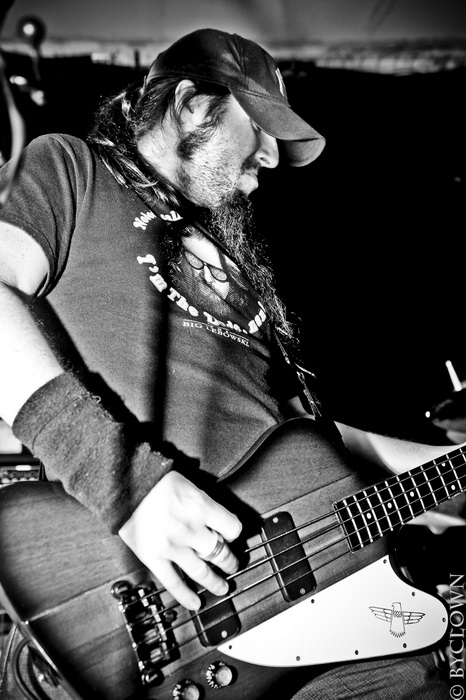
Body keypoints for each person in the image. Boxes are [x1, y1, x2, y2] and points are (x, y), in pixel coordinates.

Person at [0, 27, 455, 700]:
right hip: (136, 610)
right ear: (192, 105)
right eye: (262, 127)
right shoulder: (72, 169)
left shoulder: (241, 272)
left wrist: (448, 467)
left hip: (313, 617)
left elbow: (316, 444)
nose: (270, 156)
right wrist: (122, 480)